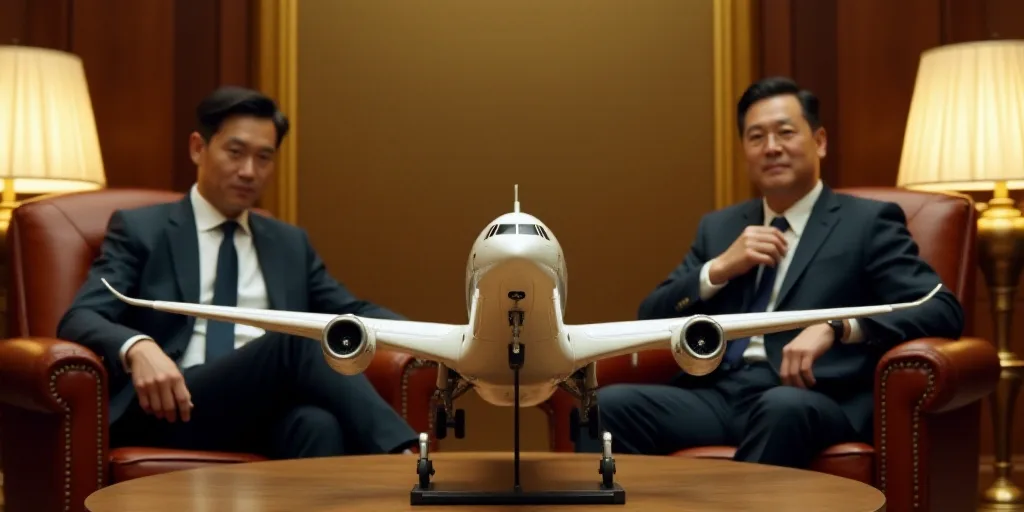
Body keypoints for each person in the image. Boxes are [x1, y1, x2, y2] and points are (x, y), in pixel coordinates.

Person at [575, 77, 964, 468]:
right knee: (607, 407)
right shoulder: (722, 228)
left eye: (785, 132)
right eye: (756, 137)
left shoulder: (866, 222)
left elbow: (940, 308)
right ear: (745, 151)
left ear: (820, 141)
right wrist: (717, 270)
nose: (772, 148)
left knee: (781, 407)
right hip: (719, 394)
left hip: (810, 395)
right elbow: (651, 318)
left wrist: (837, 325)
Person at [57, 86, 418, 459]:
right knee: (298, 334)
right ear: (199, 148)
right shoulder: (142, 229)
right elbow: (81, 316)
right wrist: (138, 347)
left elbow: (350, 310)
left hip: (258, 410)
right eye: (235, 152)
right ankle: (403, 457)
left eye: (264, 158)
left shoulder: (288, 243)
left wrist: (435, 342)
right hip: (170, 403)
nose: (249, 172)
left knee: (317, 424)